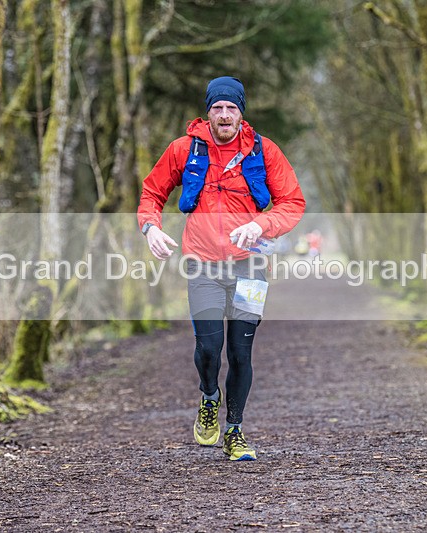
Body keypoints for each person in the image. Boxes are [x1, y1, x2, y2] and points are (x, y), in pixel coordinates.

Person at [137, 76, 306, 461]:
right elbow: (152, 193)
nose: (225, 115)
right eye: (218, 108)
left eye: (231, 108)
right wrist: (150, 228)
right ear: (208, 112)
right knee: (210, 349)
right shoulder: (184, 149)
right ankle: (209, 396)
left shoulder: (263, 150)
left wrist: (261, 225)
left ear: (241, 112)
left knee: (242, 353)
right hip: (203, 266)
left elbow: (292, 202)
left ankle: (235, 431)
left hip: (251, 266)